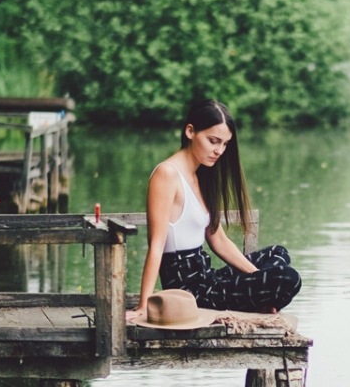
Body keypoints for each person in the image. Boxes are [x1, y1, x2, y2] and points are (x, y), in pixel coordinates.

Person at [127, 99, 301, 321]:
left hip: (208, 278)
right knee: (289, 279)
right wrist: (144, 304)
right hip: (190, 292)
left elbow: (217, 239)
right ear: (190, 131)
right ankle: (260, 300)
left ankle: (259, 298)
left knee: (279, 253)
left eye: (225, 144)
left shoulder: (201, 175)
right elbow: (157, 244)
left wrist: (257, 279)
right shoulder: (167, 174)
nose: (219, 151)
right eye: (213, 141)